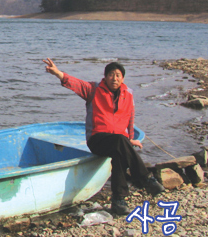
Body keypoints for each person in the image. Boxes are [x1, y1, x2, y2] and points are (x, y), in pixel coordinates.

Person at [42, 58, 165, 215]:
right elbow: (75, 83)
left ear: (123, 78)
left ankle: (118, 202)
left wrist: (131, 138)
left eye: (118, 75)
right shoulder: (93, 90)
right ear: (105, 77)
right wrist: (58, 73)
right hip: (98, 139)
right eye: (111, 75)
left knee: (120, 154)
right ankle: (145, 178)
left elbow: (130, 118)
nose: (115, 78)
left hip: (119, 141)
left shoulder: (128, 95)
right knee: (121, 142)